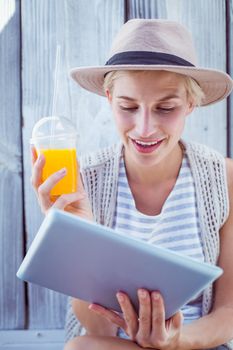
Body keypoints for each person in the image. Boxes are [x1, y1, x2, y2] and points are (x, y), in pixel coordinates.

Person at [31, 19, 233, 350]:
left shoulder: (224, 179)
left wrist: (176, 341)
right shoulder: (82, 182)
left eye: (166, 108)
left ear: (191, 105)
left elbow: (229, 311)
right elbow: (99, 329)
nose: (144, 128)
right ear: (109, 99)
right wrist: (74, 233)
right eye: (128, 107)